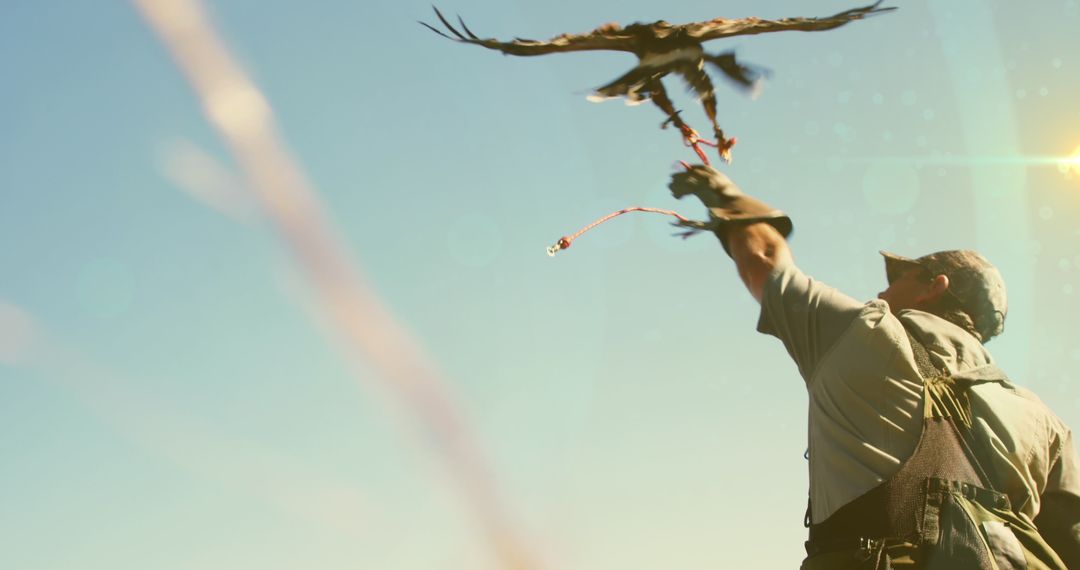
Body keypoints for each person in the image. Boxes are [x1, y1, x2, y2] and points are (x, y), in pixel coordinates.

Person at [668, 164, 1080, 569]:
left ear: (934, 286)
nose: (883, 288)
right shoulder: (1045, 423)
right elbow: (1072, 541)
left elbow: (764, 258)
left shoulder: (866, 334)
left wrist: (723, 194)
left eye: (901, 275)